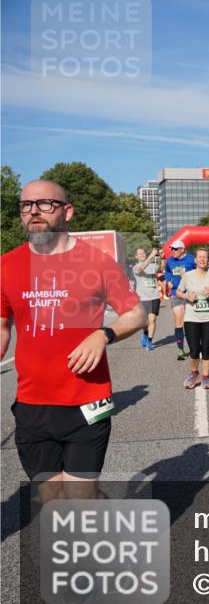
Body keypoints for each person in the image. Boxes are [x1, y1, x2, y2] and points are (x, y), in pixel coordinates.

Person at [0, 180, 144, 502]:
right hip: (31, 406)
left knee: (78, 501)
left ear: (68, 212)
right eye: (25, 206)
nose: (33, 211)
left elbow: (136, 313)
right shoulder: (6, 265)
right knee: (52, 500)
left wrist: (103, 334)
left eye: (45, 203)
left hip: (86, 403)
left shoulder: (96, 262)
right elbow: (2, 327)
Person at [177, 248, 209, 389]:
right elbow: (179, 292)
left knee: (206, 349)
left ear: (208, 260)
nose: (202, 259)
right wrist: (187, 296)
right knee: (193, 349)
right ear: (195, 260)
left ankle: (205, 377)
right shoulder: (188, 276)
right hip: (191, 317)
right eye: (200, 257)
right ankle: (194, 373)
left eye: (205, 257)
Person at [164, 239, 196, 360]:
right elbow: (167, 271)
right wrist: (169, 281)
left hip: (190, 293)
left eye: (175, 249)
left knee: (191, 322)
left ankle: (195, 347)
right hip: (176, 293)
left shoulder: (191, 259)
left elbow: (200, 271)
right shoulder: (170, 261)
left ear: (183, 249)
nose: (173, 251)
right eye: (172, 249)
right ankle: (181, 350)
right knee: (179, 320)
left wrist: (188, 277)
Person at [132, 246, 161, 350]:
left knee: (152, 320)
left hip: (154, 296)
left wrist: (161, 257)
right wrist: (151, 255)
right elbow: (141, 268)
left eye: (143, 253)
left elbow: (160, 268)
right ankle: (145, 332)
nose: (142, 255)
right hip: (142, 298)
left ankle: (149, 341)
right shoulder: (135, 267)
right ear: (136, 256)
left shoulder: (152, 265)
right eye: (140, 254)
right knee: (145, 322)